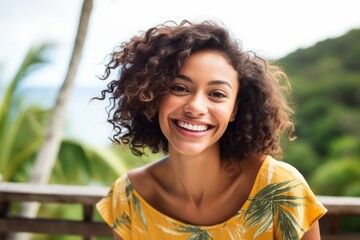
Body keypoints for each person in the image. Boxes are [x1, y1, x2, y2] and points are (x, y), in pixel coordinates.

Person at [95, 20, 327, 240]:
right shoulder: (127, 198)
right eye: (179, 88)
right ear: (154, 96)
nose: (195, 107)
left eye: (217, 94)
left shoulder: (280, 188)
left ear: (234, 109)